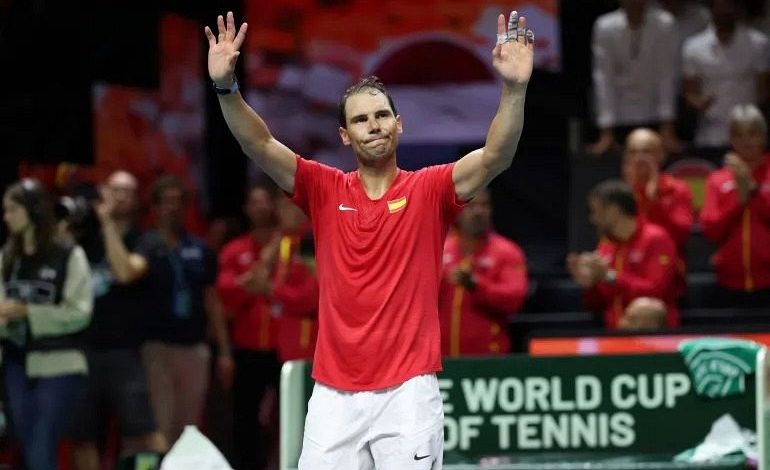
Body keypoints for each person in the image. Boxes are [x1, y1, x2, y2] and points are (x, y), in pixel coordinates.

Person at [205, 9, 533, 469]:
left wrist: (514, 89)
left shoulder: (430, 189)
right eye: (361, 120)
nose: (374, 125)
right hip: (334, 396)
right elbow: (259, 144)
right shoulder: (323, 189)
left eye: (382, 115)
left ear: (399, 124)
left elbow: (496, 155)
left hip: (409, 393)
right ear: (344, 135)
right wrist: (226, 88)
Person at [68, 171, 167, 470]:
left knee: (146, 433)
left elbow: (125, 272)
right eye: (115, 190)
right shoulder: (84, 238)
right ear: (104, 192)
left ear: (136, 200)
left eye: (127, 191)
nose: (120, 197)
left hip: (124, 352)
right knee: (82, 437)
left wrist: (107, 223)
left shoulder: (147, 239)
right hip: (82, 349)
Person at [0, 178, 93, 470]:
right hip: (15, 363)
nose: (6, 217)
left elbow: (80, 312)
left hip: (59, 362)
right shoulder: (7, 257)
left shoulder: (68, 254)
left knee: (41, 443)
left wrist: (29, 312)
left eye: (12, 210)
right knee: (27, 443)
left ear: (34, 211)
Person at [138, 176, 227, 445]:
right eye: (166, 202)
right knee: (160, 423)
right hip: (156, 347)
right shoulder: (144, 246)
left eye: (178, 202)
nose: (173, 207)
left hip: (194, 348)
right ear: (155, 207)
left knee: (189, 427)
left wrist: (224, 351)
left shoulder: (199, 248)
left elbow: (212, 299)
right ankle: (160, 463)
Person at [216, 184, 281, 470]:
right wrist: (257, 278)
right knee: (245, 419)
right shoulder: (234, 250)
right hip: (248, 348)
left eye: (266, 201)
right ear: (246, 209)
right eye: (255, 202)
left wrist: (256, 283)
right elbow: (225, 293)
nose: (261, 208)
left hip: (284, 350)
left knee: (291, 414)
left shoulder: (291, 245)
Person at [567, 180, 679, 328]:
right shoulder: (606, 245)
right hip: (615, 333)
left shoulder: (655, 238)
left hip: (653, 334)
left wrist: (610, 277)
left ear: (613, 210)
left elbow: (655, 292)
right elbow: (600, 303)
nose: (593, 219)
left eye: (596, 211)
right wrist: (590, 284)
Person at [438, 188, 528, 356]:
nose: (479, 211)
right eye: (471, 206)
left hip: (488, 360)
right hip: (441, 359)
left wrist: (476, 285)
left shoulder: (506, 252)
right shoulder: (440, 249)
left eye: (484, 205)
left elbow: (514, 298)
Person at [588, 0, 681, 155]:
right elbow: (603, 78)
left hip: (654, 114)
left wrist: (667, 127)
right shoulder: (605, 26)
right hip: (619, 116)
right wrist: (606, 131)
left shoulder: (665, 24)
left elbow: (666, 75)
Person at [699, 105, 770, 305]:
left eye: (752, 134)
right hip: (728, 282)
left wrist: (753, 190)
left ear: (764, 137)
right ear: (731, 139)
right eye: (739, 135)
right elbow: (711, 229)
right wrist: (739, 201)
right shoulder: (717, 179)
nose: (746, 141)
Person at [682, 0, 770, 149]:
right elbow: (689, 93)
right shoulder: (693, 47)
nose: (724, 12)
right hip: (711, 133)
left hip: (748, 134)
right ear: (711, 11)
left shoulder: (759, 44)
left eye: (728, 6)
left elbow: (764, 91)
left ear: (737, 10)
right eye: (720, 7)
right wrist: (699, 102)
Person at [621, 128, 693, 294]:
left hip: (666, 273)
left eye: (647, 151)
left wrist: (655, 202)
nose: (639, 158)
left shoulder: (676, 189)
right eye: (633, 152)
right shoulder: (619, 192)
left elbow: (681, 234)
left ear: (661, 155)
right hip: (626, 273)